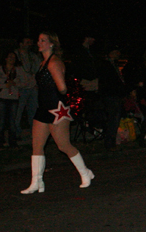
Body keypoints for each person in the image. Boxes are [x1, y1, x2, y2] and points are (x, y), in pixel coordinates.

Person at [21, 32, 94, 194]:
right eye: (39, 40)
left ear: (52, 44)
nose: (39, 43)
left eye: (43, 40)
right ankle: (36, 182)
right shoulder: (42, 63)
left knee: (63, 145)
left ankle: (85, 173)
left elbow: (62, 88)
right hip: (44, 108)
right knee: (37, 146)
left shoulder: (54, 62)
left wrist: (53, 89)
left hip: (57, 108)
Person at [96, 44, 127, 152]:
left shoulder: (113, 64)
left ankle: (111, 141)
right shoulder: (106, 65)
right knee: (113, 119)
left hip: (114, 95)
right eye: (116, 52)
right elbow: (108, 82)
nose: (118, 54)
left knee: (115, 118)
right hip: (110, 95)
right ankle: (109, 142)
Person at [14, 36, 41, 139]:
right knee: (18, 111)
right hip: (20, 87)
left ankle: (34, 132)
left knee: (33, 110)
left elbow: (39, 69)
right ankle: (16, 132)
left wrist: (36, 83)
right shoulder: (15, 55)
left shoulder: (33, 56)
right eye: (27, 42)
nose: (29, 44)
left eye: (30, 42)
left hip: (32, 87)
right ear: (21, 44)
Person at [0, 51, 22, 148]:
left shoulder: (18, 70)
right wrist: (4, 85)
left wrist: (16, 84)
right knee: (1, 120)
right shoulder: (0, 70)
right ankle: (0, 141)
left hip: (13, 97)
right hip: (2, 97)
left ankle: (12, 141)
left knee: (12, 120)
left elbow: (23, 83)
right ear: (6, 58)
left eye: (14, 57)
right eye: (10, 57)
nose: (12, 59)